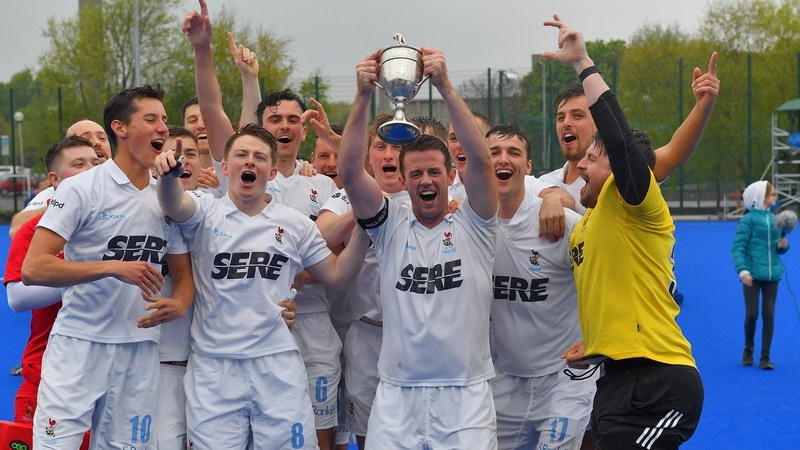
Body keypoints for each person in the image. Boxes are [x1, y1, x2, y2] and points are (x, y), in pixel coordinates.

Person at [182, 3, 342, 447]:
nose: (284, 127)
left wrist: (288, 283)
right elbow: (216, 112)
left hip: (308, 321)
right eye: (275, 120)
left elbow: (340, 260)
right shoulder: (235, 173)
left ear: (303, 132)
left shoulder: (322, 185)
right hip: (241, 332)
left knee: (311, 432)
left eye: (294, 120)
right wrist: (216, 58)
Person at [154, 123, 368, 449]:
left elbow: (338, 276)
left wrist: (366, 225)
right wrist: (169, 178)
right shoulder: (205, 210)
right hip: (215, 367)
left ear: (271, 171)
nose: (250, 162)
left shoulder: (295, 223)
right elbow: (174, 205)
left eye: (259, 157)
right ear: (226, 167)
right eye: (241, 155)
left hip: (277, 364)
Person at [545, 16, 704, 449]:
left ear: (616, 165)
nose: (581, 168)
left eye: (593, 160)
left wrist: (583, 63)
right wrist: (594, 342)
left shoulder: (632, 201)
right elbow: (618, 295)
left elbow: (620, 141)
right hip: (615, 377)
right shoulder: (587, 227)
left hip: (659, 380)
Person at [338, 46, 499, 449]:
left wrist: (443, 84)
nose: (425, 181)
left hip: (465, 397)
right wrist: (361, 95)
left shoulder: (476, 223)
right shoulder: (389, 224)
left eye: (433, 172)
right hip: (397, 395)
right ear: (404, 181)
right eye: (415, 174)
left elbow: (479, 160)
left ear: (450, 176)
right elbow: (349, 172)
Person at [21, 85, 195, 449]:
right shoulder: (81, 188)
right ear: (120, 127)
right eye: (151, 119)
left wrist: (179, 303)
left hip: (141, 349)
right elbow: (34, 268)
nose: (163, 128)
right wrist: (112, 267)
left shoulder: (170, 195)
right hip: (80, 345)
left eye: (164, 119)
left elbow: (183, 277)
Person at [486, 123, 594, 450]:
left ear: (528, 167)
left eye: (514, 153)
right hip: (502, 381)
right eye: (494, 153)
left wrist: (600, 339)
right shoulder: (470, 226)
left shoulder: (562, 224)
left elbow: (612, 282)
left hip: (564, 377)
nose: (504, 160)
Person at [316, 112, 409, 449]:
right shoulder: (349, 196)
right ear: (369, 155)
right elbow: (321, 233)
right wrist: (364, 210)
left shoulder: (427, 194)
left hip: (414, 336)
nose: (389, 155)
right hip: (367, 333)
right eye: (380, 146)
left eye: (398, 147)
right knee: (368, 435)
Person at [5, 136, 100, 424]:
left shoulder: (127, 221)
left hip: (114, 368)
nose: (89, 170)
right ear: (54, 179)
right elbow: (17, 299)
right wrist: (90, 272)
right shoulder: (34, 228)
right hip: (49, 371)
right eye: (79, 164)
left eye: (95, 163)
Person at [9, 118, 112, 238]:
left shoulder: (131, 183)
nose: (96, 142)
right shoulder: (57, 193)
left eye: (102, 138)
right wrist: (71, 206)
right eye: (85, 139)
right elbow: (16, 230)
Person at [731, 180, 788, 370]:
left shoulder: (776, 220)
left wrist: (783, 246)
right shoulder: (748, 220)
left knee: (769, 314)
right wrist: (743, 270)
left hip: (772, 276)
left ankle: (765, 356)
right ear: (763, 197)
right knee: (752, 314)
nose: (775, 197)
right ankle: (748, 349)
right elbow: (738, 247)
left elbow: (778, 248)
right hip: (752, 276)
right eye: (772, 194)